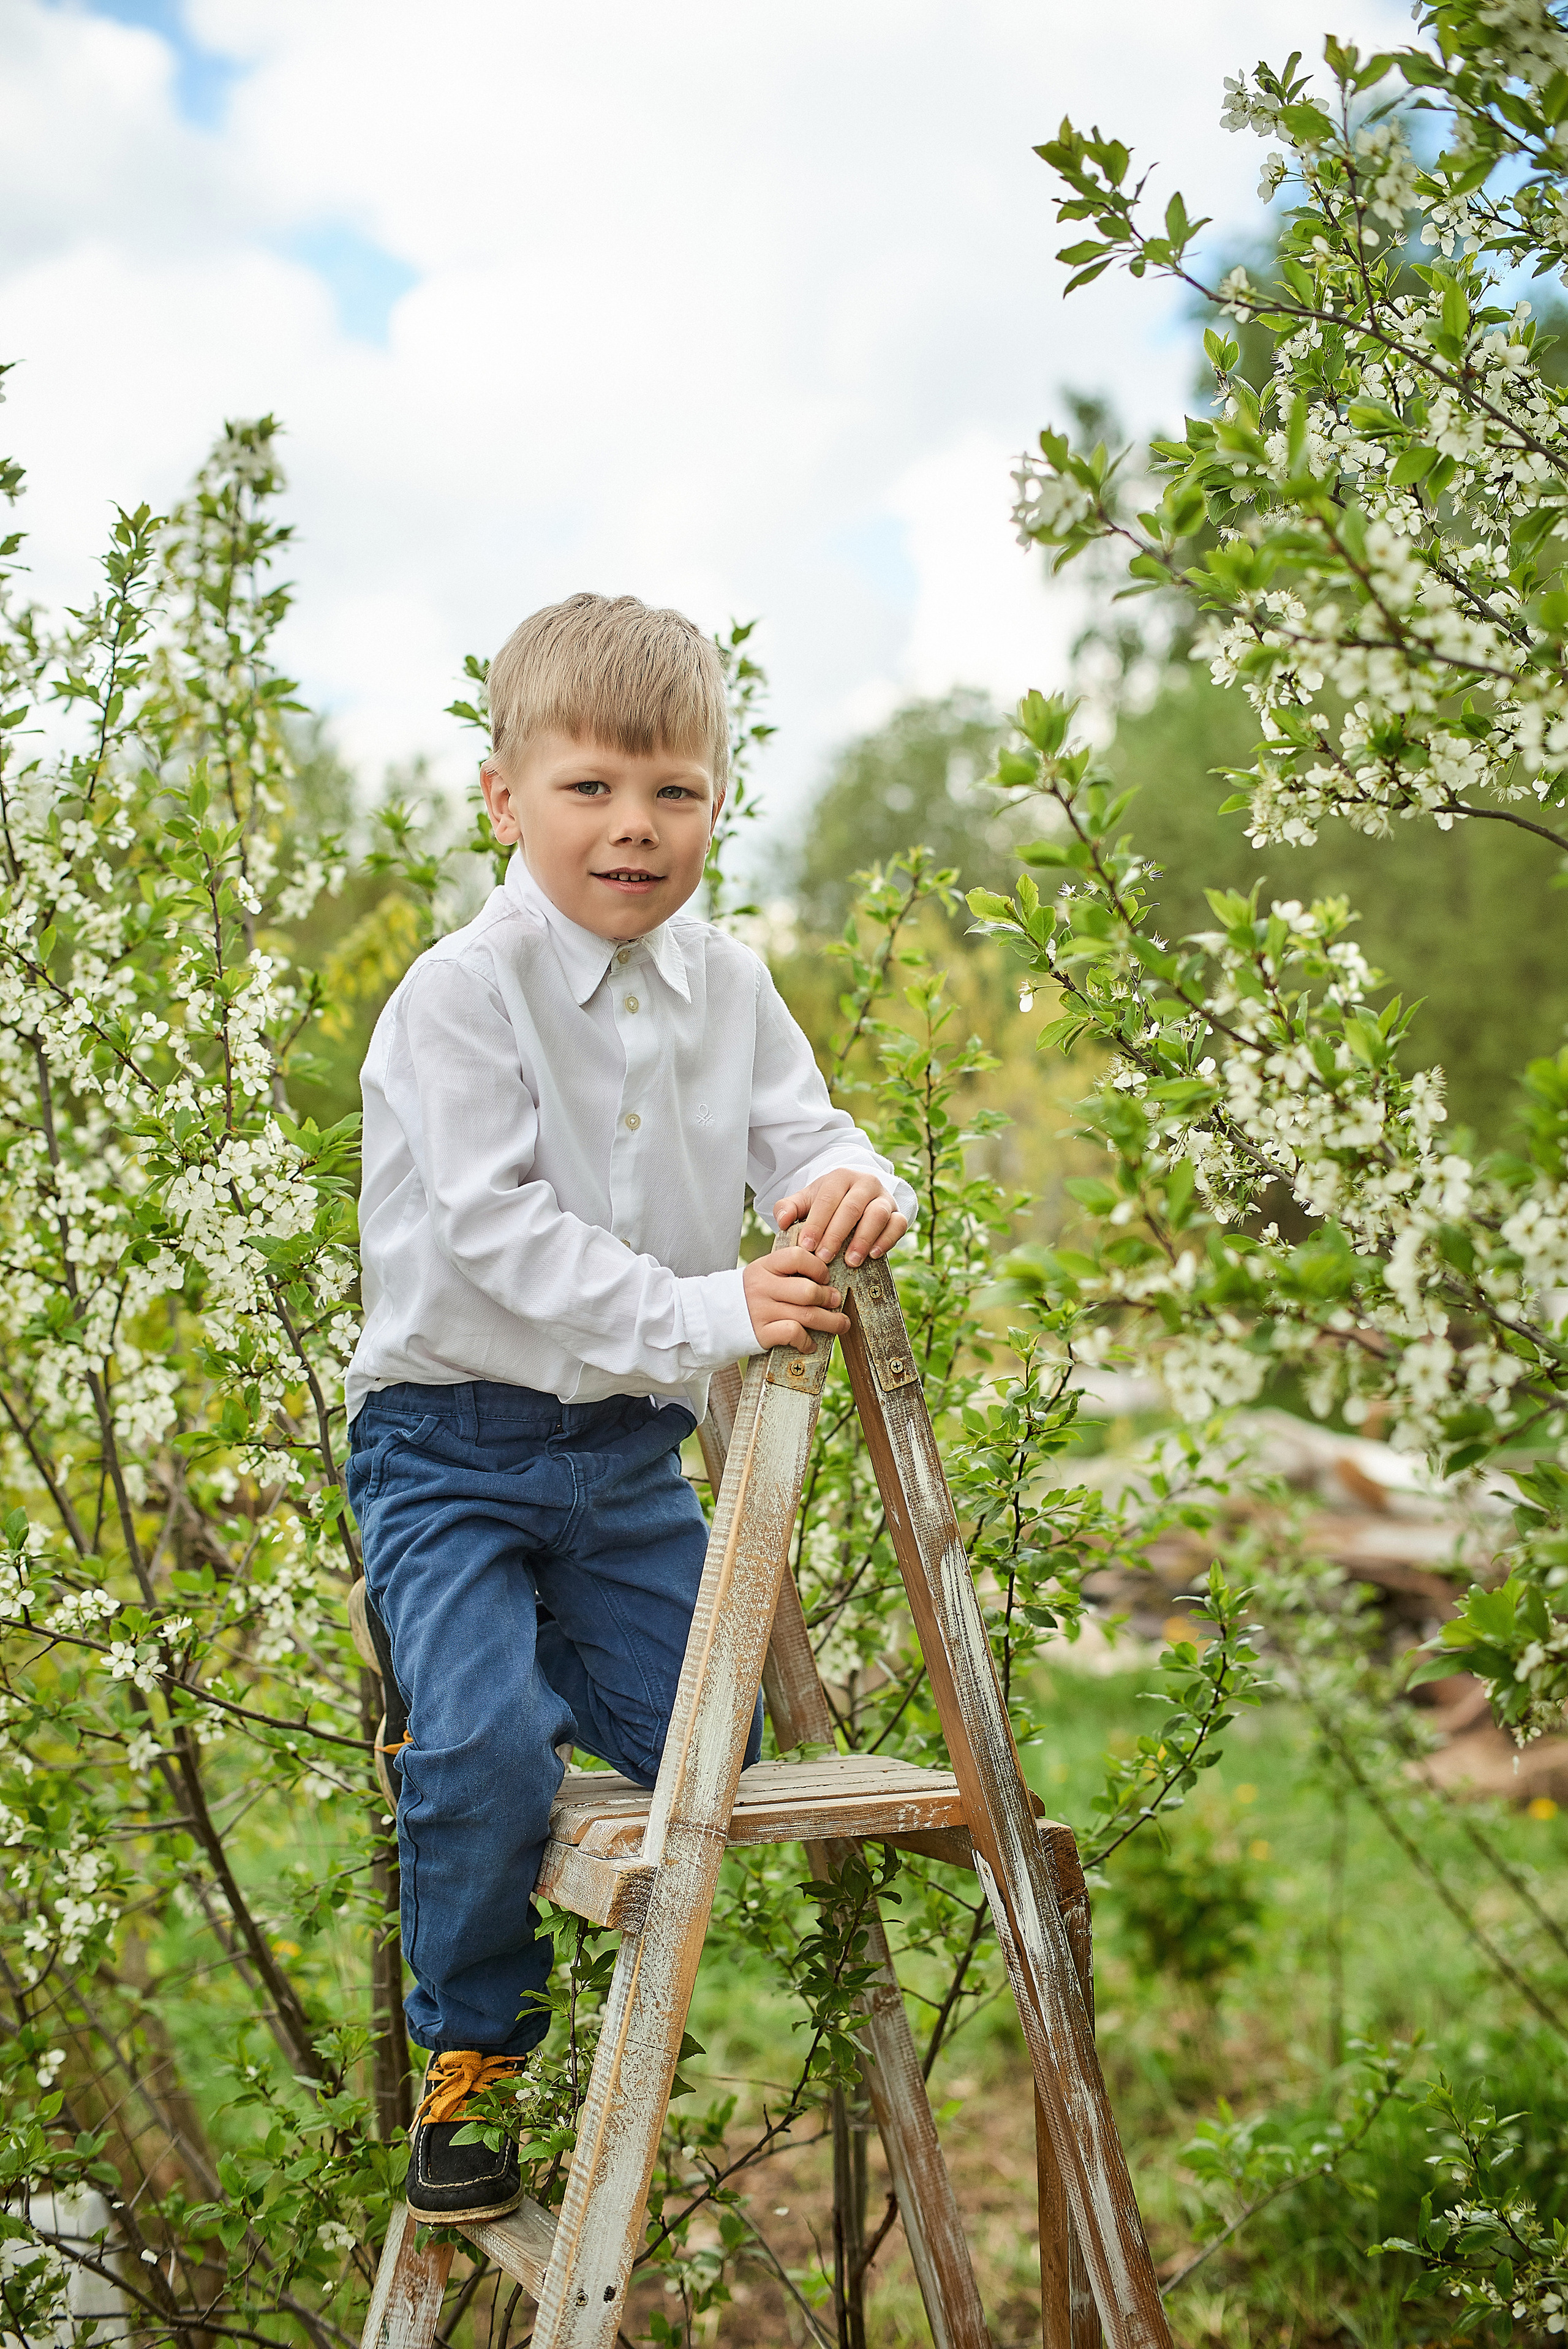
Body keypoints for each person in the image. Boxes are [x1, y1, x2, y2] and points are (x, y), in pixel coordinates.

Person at [345, 592, 914, 2223]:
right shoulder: (464, 994)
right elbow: (497, 1236)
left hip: (621, 1456)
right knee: (486, 1750)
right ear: (502, 794)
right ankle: (471, 2063)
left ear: (717, 803)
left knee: (701, 1751)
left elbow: (805, 1131)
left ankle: (496, 1706)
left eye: (673, 791)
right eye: (591, 785)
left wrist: (853, 1189)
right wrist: (713, 1308)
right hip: (449, 1445)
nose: (633, 826)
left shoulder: (724, 983)